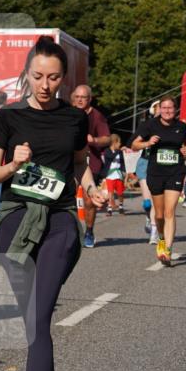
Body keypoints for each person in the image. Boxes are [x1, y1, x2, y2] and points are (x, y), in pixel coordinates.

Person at [0, 36, 107, 371]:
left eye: (53, 77)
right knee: (31, 322)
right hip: (15, 222)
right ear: (27, 73)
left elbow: (78, 166)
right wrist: (14, 163)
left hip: (58, 224)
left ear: (64, 78)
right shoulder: (7, 117)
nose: (45, 84)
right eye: (38, 76)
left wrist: (93, 191)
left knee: (38, 322)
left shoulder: (74, 119)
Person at [131, 97, 186, 266]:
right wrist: (147, 143)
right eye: (164, 108)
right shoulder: (150, 125)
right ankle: (162, 239)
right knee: (159, 215)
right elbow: (134, 145)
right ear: (160, 109)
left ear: (176, 109)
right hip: (156, 173)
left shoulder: (181, 126)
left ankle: (168, 250)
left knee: (169, 211)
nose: (167, 111)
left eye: (170, 108)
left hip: (176, 172)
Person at [70, 84, 111, 248]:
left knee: (89, 201)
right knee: (66, 198)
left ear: (89, 99)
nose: (80, 100)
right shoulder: (68, 113)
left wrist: (94, 140)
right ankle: (71, 231)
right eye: (77, 97)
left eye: (84, 97)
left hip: (89, 161)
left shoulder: (97, 116)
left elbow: (107, 139)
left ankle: (89, 231)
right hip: (70, 160)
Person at [132, 100, 161, 244]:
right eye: (158, 108)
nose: (161, 110)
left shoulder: (169, 127)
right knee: (147, 203)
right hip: (144, 163)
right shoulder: (147, 126)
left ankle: (154, 234)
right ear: (153, 111)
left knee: (155, 201)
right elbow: (133, 143)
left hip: (159, 165)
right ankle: (149, 217)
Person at [103, 134, 126, 215]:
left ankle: (121, 206)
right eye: (119, 142)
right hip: (110, 175)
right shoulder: (107, 151)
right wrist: (119, 150)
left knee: (120, 192)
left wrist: (124, 171)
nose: (120, 144)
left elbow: (122, 162)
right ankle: (109, 209)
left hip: (118, 175)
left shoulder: (120, 152)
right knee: (110, 192)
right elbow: (111, 157)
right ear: (114, 142)